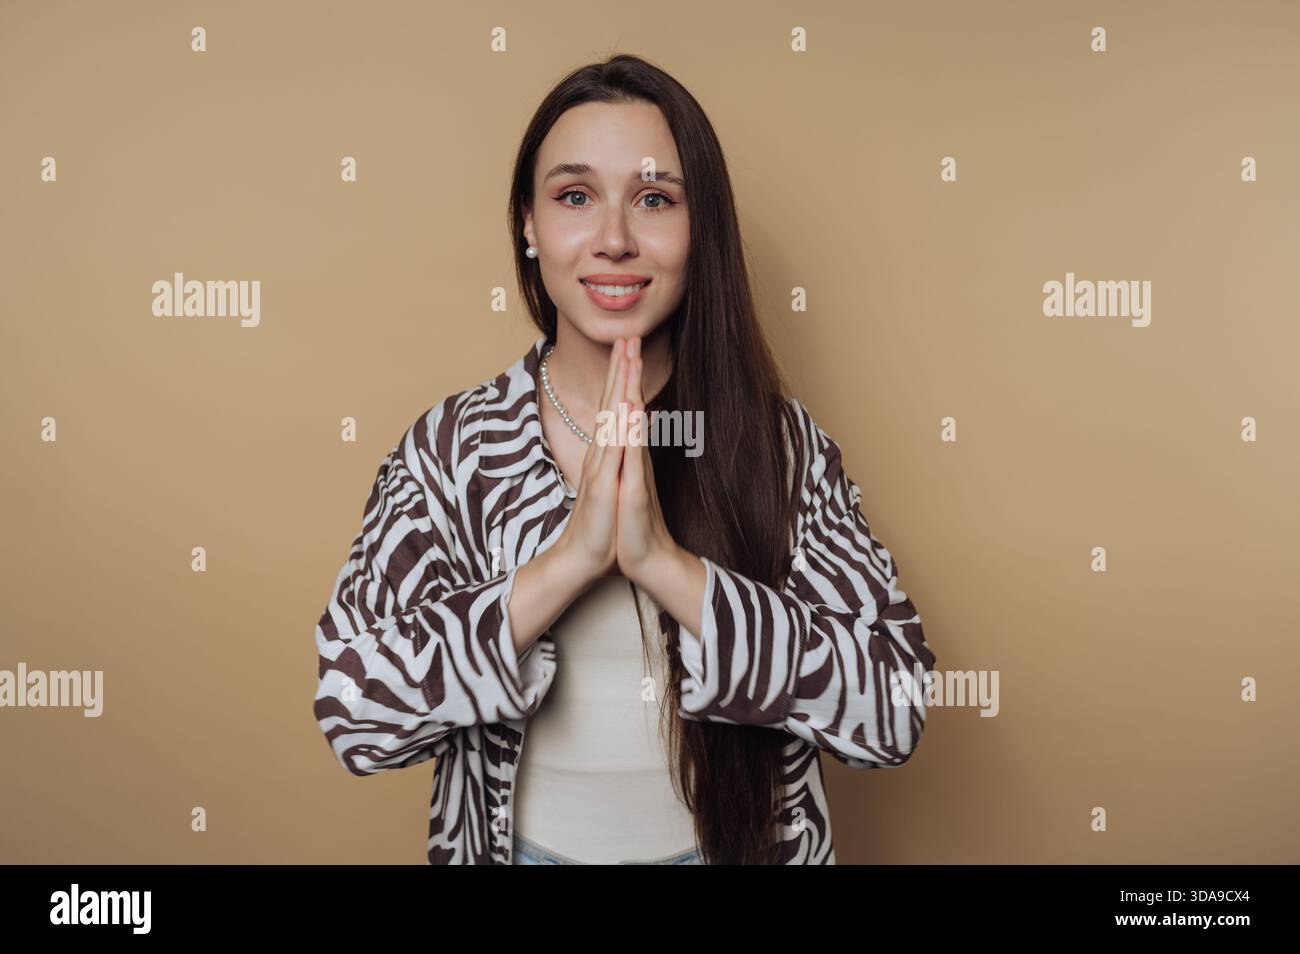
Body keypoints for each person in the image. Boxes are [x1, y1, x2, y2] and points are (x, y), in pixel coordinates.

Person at [313, 53, 936, 865]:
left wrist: (666, 567)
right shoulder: (454, 447)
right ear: (529, 226)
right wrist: (567, 564)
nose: (613, 239)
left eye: (653, 200)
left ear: (698, 226)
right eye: (575, 197)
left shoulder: (775, 447)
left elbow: (894, 708)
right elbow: (355, 710)